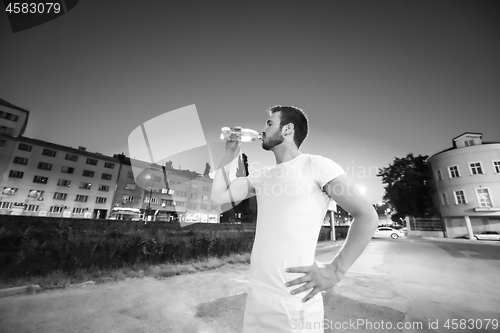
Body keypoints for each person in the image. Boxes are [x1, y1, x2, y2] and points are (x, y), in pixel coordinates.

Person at [211, 105, 378, 333]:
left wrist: (335, 271)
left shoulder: (316, 166)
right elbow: (218, 195)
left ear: (287, 129)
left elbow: (367, 216)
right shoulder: (262, 177)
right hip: (257, 299)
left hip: (294, 304)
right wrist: (230, 152)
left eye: (269, 123)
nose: (263, 129)